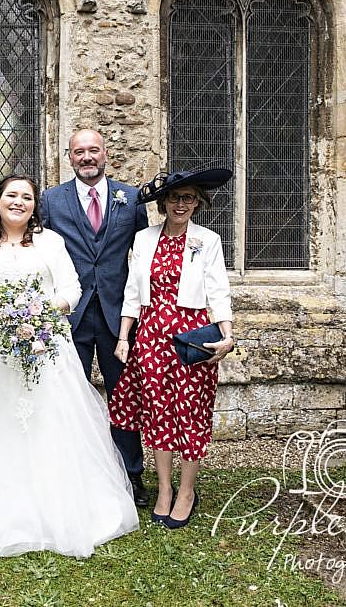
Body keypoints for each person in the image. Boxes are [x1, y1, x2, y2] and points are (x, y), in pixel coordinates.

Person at [0, 175, 139, 560]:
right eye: (11, 196)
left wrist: (37, 314)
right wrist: (5, 313)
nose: (18, 202)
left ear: (35, 206)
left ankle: (56, 507)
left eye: (26, 197)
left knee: (46, 422)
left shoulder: (51, 243)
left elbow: (71, 290)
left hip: (44, 346)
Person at [111, 168, 235, 529]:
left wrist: (226, 337)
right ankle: (164, 489)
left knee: (191, 414)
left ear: (198, 203)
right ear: (163, 202)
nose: (181, 204)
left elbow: (219, 289)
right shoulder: (144, 239)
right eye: (175, 197)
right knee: (158, 413)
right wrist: (123, 337)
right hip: (150, 337)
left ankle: (186, 491)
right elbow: (132, 292)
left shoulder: (207, 240)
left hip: (190, 337)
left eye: (189, 198)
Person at [40, 129, 151, 507]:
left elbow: (142, 258)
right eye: (78, 152)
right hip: (69, 316)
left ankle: (130, 474)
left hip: (118, 319)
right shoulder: (52, 201)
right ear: (69, 158)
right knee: (67, 396)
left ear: (106, 154)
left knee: (125, 397)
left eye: (93, 150)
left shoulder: (131, 198)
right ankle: (70, 474)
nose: (86, 157)